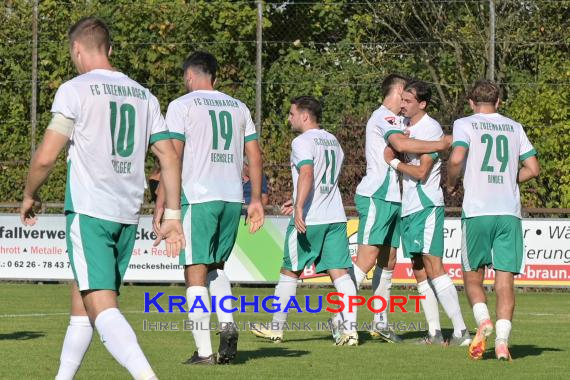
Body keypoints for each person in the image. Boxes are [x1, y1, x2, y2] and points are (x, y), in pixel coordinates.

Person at [20, 17, 185, 380]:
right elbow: (169, 156)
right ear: (109, 50)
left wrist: (30, 194)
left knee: (101, 307)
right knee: (82, 303)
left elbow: (46, 156)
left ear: (77, 50)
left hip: (89, 210)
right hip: (126, 216)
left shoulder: (74, 89)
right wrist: (173, 213)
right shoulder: (144, 95)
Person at [154, 51, 265, 365]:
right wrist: (255, 198)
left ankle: (204, 352)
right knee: (216, 267)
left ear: (189, 76)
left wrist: (162, 202)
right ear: (213, 76)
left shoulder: (181, 105)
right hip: (232, 197)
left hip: (197, 197)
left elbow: (171, 157)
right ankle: (227, 323)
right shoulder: (239, 106)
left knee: (194, 272)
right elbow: (256, 157)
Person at [250, 96, 358, 346]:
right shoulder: (333, 141)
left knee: (290, 271)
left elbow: (308, 173)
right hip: (335, 216)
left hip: (311, 218)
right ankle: (351, 331)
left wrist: (299, 207)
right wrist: (296, 197)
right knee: (341, 274)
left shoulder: (302, 141)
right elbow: (323, 181)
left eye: (292, 113)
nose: (289, 118)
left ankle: (276, 328)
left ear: (305, 116)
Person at [350, 74, 450, 343]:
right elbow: (401, 145)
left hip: (396, 199)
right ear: (395, 92)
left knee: (389, 261)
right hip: (377, 195)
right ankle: (341, 318)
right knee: (366, 259)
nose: (406, 101)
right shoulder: (383, 116)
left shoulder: (399, 120)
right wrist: (441, 143)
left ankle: (380, 322)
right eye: (403, 95)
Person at [446, 79, 540, 361]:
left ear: (471, 103)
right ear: (498, 102)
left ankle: (483, 321)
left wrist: (452, 182)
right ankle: (501, 342)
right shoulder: (514, 127)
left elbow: (455, 159)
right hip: (508, 212)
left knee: (472, 276)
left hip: (478, 211)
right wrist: (508, 181)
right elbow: (533, 168)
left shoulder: (465, 123)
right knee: (505, 282)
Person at [385, 80, 471, 345]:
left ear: (422, 104)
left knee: (434, 265)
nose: (402, 104)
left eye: (408, 101)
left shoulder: (430, 128)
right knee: (419, 268)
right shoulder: (405, 127)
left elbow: (422, 173)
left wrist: (395, 161)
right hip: (410, 207)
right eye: (402, 99)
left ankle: (461, 331)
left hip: (426, 205)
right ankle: (433, 332)